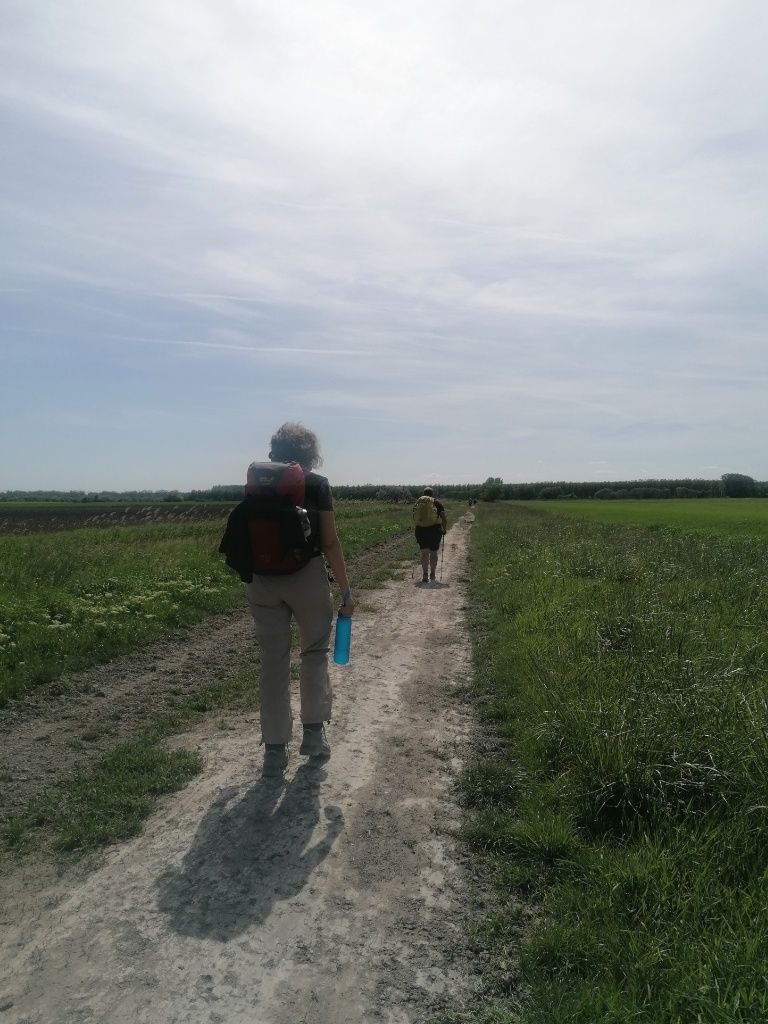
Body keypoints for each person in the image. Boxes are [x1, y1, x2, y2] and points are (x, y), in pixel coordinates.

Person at [223, 422, 354, 778]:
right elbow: (329, 543)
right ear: (309, 451)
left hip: (262, 582)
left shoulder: (256, 482)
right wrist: (345, 590)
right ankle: (313, 734)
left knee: (273, 662)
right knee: (313, 652)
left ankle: (274, 751)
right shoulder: (316, 483)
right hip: (306, 577)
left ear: (275, 450)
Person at [412, 487, 447, 583]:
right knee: (433, 553)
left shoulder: (418, 502)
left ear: (423, 493)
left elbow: (414, 516)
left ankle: (424, 574)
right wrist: (444, 529)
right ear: (432, 494)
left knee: (424, 553)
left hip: (420, 530)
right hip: (434, 530)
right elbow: (443, 518)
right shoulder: (437, 503)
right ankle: (432, 574)